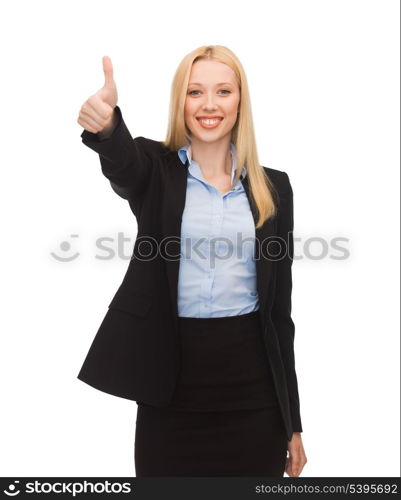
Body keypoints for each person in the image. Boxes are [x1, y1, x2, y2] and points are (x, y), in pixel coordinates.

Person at [77, 45, 307, 477]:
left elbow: (280, 315)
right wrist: (108, 127)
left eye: (223, 91)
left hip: (254, 397)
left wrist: (292, 422)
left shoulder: (274, 188)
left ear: (241, 101)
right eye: (195, 92)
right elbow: (123, 166)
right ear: (180, 101)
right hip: (169, 389)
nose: (209, 105)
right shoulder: (155, 171)